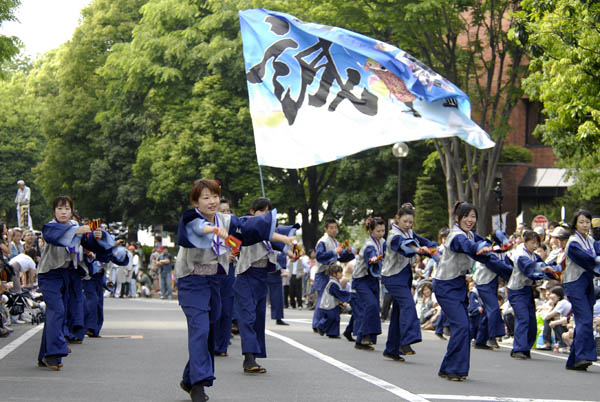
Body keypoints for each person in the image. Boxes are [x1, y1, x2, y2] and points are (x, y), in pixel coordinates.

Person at [175, 181, 295, 401]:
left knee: (209, 331)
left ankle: (189, 378)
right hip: (191, 282)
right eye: (205, 197)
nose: (212, 202)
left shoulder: (226, 220)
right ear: (195, 202)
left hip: (215, 281)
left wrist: (285, 238)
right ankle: (199, 386)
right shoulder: (190, 217)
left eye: (215, 197)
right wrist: (211, 229)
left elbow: (250, 230)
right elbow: (196, 229)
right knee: (200, 329)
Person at [36, 196, 102, 371]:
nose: (63, 212)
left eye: (67, 209)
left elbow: (89, 244)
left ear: (72, 211)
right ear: (54, 211)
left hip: (66, 274)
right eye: (59, 208)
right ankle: (54, 353)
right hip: (48, 275)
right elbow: (57, 236)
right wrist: (80, 230)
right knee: (57, 311)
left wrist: (96, 235)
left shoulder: (74, 226)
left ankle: (45, 354)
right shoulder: (50, 226)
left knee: (56, 313)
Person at [233, 197, 297, 375]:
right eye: (262, 211)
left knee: (259, 317)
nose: (265, 216)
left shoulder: (268, 230)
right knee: (248, 316)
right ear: (253, 211)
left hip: (262, 277)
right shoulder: (246, 223)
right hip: (246, 276)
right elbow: (267, 235)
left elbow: (275, 243)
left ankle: (254, 354)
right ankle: (249, 358)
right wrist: (285, 239)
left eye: (268, 212)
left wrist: (291, 252)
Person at [432, 201, 493, 382]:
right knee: (462, 326)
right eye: (466, 216)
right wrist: (478, 248)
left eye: (473, 216)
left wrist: (496, 244)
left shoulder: (470, 235)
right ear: (457, 218)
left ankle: (448, 367)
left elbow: (485, 241)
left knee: (463, 326)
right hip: (445, 284)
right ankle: (453, 369)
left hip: (458, 284)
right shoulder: (456, 236)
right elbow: (467, 247)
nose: (470, 220)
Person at [381, 204, 437, 360]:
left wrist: (434, 248)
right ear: (397, 219)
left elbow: (423, 241)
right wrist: (418, 249)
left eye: (410, 222)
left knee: (399, 311)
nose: (408, 225)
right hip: (393, 276)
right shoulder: (393, 235)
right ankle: (406, 340)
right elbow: (404, 247)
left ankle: (392, 348)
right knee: (408, 304)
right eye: (405, 221)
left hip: (404, 275)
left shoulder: (410, 232)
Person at [507, 230, 557, 360]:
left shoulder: (533, 255)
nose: (535, 246)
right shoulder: (520, 254)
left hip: (527, 290)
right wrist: (542, 269)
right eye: (532, 243)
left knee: (531, 320)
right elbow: (529, 268)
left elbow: (542, 264)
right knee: (522, 317)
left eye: (537, 243)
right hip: (516, 290)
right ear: (525, 241)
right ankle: (518, 349)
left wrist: (551, 270)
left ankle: (526, 347)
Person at [563, 209, 600, 371]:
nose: (585, 225)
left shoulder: (590, 240)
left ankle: (573, 360)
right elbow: (587, 260)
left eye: (587, 222)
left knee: (583, 320)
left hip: (587, 283)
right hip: (574, 283)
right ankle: (583, 356)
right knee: (585, 318)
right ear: (575, 224)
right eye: (581, 222)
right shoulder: (573, 242)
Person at [472, 230, 514, 349]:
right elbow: (498, 265)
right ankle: (492, 336)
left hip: (492, 282)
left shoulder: (501, 252)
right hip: (483, 282)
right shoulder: (487, 248)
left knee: (487, 310)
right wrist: (514, 272)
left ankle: (480, 340)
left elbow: (508, 264)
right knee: (494, 308)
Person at [313, 219, 354, 332]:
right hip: (323, 273)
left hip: (332, 274)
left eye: (335, 227)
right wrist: (333, 252)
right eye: (331, 228)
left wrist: (348, 252)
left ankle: (324, 325)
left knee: (330, 300)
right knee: (323, 299)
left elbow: (340, 257)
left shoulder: (335, 241)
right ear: (325, 229)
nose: (334, 230)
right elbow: (319, 256)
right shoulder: (323, 241)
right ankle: (317, 324)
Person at [351, 217, 385, 351]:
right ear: (371, 231)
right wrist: (373, 260)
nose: (381, 234)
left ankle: (362, 339)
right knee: (370, 305)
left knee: (374, 307)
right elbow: (370, 258)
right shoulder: (368, 245)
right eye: (378, 231)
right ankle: (364, 336)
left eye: (383, 231)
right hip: (361, 279)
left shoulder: (382, 242)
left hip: (373, 279)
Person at [316, 264, 350, 338]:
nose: (342, 274)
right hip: (329, 305)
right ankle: (321, 326)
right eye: (340, 272)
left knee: (335, 318)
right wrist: (348, 297)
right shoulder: (333, 283)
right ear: (334, 274)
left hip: (331, 304)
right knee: (332, 317)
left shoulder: (334, 282)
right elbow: (338, 293)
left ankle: (332, 333)